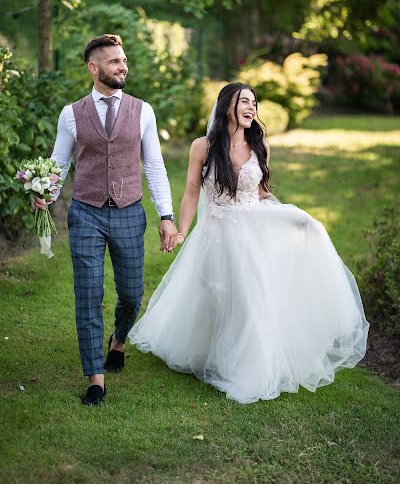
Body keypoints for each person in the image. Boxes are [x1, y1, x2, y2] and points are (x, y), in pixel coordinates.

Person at [128, 82, 369, 404]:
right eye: (245, 101)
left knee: (250, 298)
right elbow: (191, 191)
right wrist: (182, 230)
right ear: (227, 106)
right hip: (215, 233)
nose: (251, 108)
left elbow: (260, 193)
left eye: (254, 103)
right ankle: (210, 353)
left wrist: (290, 216)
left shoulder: (260, 146)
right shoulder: (203, 146)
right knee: (215, 295)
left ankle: (248, 366)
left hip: (253, 232)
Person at [32, 34, 177, 406]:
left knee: (130, 295)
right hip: (86, 215)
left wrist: (166, 215)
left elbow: (155, 166)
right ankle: (96, 378)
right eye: (114, 61)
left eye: (124, 60)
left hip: (129, 210)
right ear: (94, 68)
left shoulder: (142, 111)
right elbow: (60, 163)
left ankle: (119, 340)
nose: (122, 66)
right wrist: (44, 192)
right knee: (88, 295)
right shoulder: (71, 114)